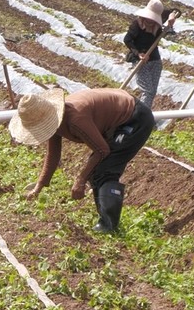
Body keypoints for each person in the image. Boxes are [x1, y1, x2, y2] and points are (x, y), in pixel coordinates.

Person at [9, 88, 155, 233]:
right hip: (119, 117)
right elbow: (53, 154)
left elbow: (102, 151)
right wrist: (39, 186)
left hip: (135, 119)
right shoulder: (55, 120)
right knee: (96, 168)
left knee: (104, 169)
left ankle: (109, 226)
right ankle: (105, 220)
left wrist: (80, 180)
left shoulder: (75, 120)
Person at [123, 0, 171, 109]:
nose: (150, 21)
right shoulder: (137, 25)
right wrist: (138, 53)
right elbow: (127, 40)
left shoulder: (157, 24)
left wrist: (172, 18)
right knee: (148, 91)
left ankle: (142, 113)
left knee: (152, 92)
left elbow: (175, 11)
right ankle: (142, 117)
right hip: (140, 61)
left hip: (155, 60)